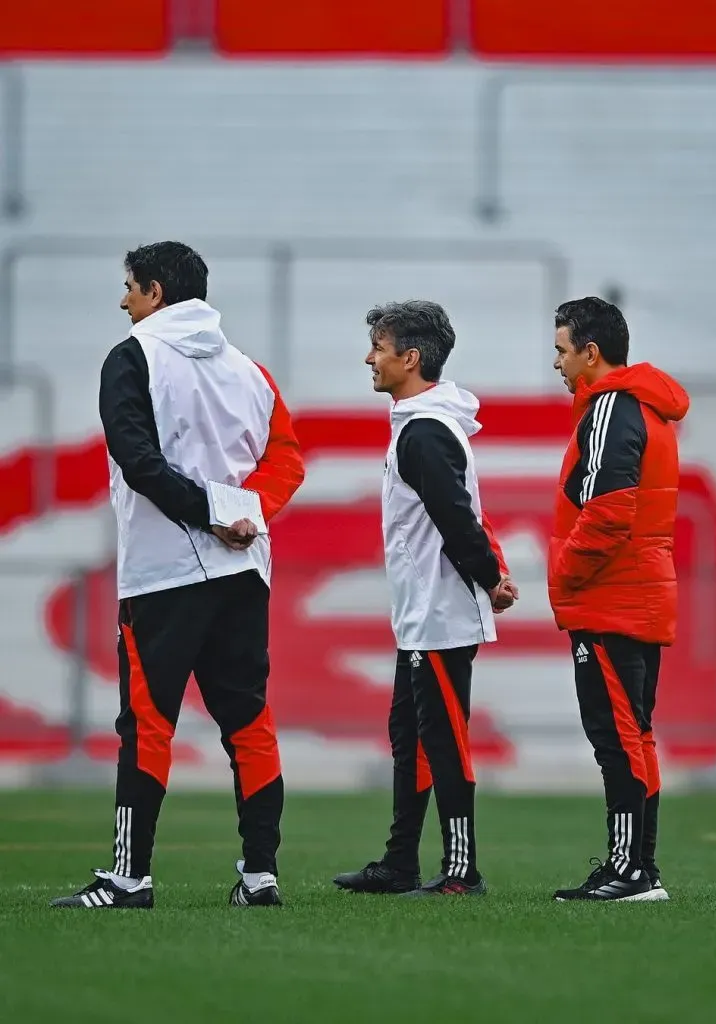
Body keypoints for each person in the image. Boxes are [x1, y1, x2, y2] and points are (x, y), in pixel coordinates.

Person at [51, 241, 305, 910]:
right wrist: (241, 514)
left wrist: (210, 513)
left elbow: (137, 460)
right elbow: (288, 460)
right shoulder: (252, 371)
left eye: (130, 287)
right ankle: (260, 877)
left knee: (148, 722)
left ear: (156, 291)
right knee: (248, 720)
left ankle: (129, 879)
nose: (124, 300)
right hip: (245, 569)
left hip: (163, 573)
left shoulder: (131, 356)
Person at [333, 300, 518, 898]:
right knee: (409, 736)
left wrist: (490, 577)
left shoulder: (424, 433)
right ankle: (400, 862)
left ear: (410, 358)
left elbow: (456, 517)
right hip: (420, 615)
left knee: (442, 739)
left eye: (379, 348)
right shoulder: (421, 427)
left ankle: (461, 870)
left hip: (439, 616)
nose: (369, 357)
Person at [549, 296, 689, 902]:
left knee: (618, 739)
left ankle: (631, 870)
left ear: (591, 352)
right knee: (635, 734)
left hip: (613, 597)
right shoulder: (644, 407)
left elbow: (607, 514)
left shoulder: (610, 406)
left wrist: (564, 576)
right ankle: (637, 866)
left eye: (561, 350)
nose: (555, 363)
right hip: (637, 592)